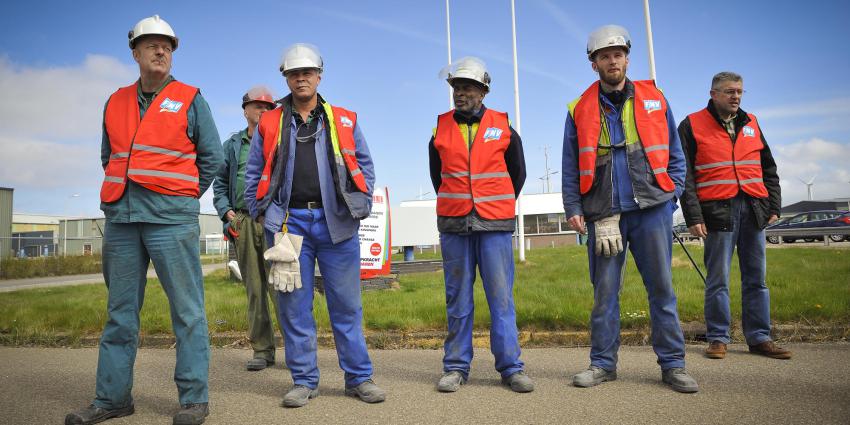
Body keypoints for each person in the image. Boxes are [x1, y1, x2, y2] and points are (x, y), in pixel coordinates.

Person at [66, 15, 223, 425]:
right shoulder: (115, 101)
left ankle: (193, 399)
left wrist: (186, 195)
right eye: (152, 45)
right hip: (121, 219)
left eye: (168, 46)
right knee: (120, 313)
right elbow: (110, 158)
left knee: (187, 312)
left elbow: (213, 159)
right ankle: (112, 399)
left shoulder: (191, 98)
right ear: (135, 52)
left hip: (171, 220)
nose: (161, 51)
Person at [244, 43, 385, 407]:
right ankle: (304, 380)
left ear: (319, 76)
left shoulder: (343, 119)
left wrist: (361, 202)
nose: (301, 78)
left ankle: (358, 378)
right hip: (290, 226)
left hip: (336, 223)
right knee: (294, 306)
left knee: (347, 306)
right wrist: (260, 212)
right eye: (294, 73)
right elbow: (254, 170)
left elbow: (365, 167)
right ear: (286, 79)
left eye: (307, 72)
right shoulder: (270, 121)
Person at [561, 25, 698, 393]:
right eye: (604, 56)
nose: (612, 61)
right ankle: (602, 364)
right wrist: (575, 207)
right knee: (605, 293)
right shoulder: (578, 109)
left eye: (617, 54)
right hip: (604, 213)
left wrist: (671, 197)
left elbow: (675, 155)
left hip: (652, 210)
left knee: (662, 290)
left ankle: (673, 365)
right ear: (593, 64)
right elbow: (571, 164)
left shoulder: (655, 98)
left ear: (627, 58)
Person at [428, 57, 533, 393]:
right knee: (457, 301)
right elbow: (437, 177)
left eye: (468, 88)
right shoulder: (439, 130)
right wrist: (460, 202)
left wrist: (493, 202)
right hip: (455, 227)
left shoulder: (504, 128)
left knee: (501, 300)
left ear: (483, 91)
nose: (461, 93)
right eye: (457, 87)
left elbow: (518, 173)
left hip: (494, 227)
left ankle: (510, 368)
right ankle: (456, 367)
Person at [678, 72, 789, 360]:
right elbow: (684, 175)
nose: (736, 96)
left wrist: (774, 206)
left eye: (739, 91)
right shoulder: (691, 124)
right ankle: (718, 338)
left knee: (757, 278)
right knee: (718, 279)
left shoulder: (752, 122)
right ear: (713, 93)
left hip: (754, 210)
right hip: (717, 212)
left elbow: (769, 168)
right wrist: (693, 216)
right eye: (729, 91)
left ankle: (760, 337)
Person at [213, 86, 283, 371]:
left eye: (267, 106)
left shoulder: (280, 140)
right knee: (254, 289)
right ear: (245, 110)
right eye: (256, 106)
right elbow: (218, 183)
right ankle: (262, 351)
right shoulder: (232, 145)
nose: (262, 110)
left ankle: (299, 352)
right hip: (243, 221)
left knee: (282, 287)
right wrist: (226, 212)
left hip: (275, 222)